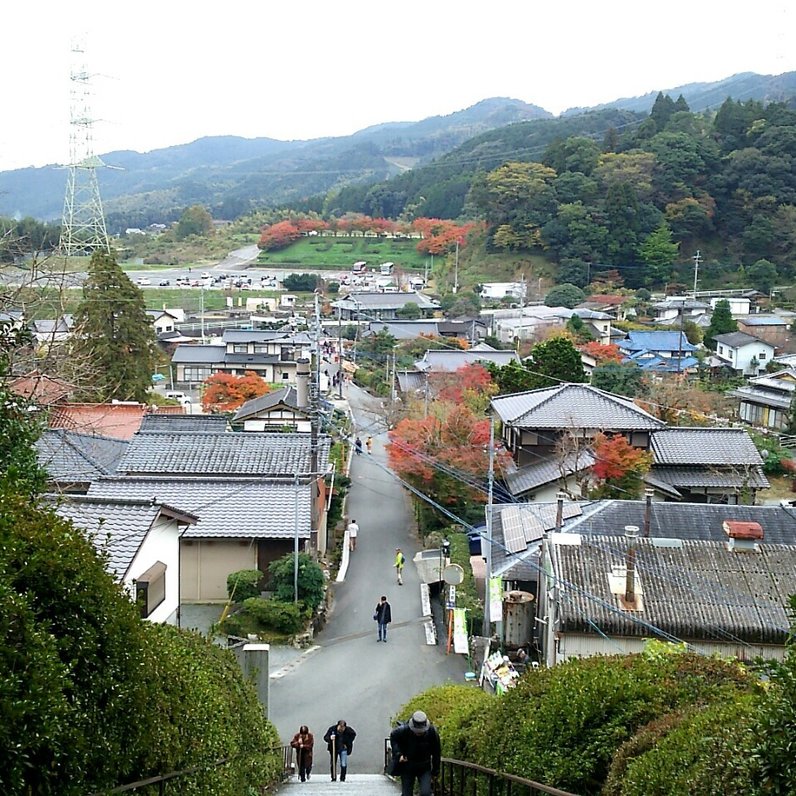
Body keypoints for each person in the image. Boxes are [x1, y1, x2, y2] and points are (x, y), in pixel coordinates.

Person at [389, 710, 441, 796]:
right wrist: (399, 754)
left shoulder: (432, 732)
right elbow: (393, 737)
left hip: (424, 767)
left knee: (426, 793)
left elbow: (436, 752)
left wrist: (435, 771)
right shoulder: (403, 730)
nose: (419, 733)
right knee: (407, 794)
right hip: (407, 765)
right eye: (417, 731)